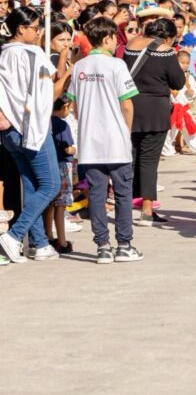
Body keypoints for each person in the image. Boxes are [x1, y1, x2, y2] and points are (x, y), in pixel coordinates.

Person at [66, 16, 143, 264]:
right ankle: (124, 244)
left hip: (89, 143)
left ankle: (102, 246)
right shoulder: (117, 65)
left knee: (97, 195)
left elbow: (74, 105)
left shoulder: (79, 67)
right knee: (122, 194)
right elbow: (127, 104)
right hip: (116, 141)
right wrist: (126, 131)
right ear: (108, 38)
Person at [0, 8, 63, 264]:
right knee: (51, 185)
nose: (39, 33)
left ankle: (39, 243)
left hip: (9, 129)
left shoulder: (3, 53)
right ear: (21, 29)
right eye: (36, 27)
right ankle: (15, 235)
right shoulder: (33, 53)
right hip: (31, 127)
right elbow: (48, 90)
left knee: (32, 184)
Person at [124, 18, 186, 227]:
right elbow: (178, 82)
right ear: (168, 37)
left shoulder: (131, 45)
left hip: (129, 108)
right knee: (149, 161)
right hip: (155, 111)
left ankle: (124, 206)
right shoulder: (166, 51)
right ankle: (147, 211)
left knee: (130, 158)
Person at [44, 98, 76, 254]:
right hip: (62, 167)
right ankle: (62, 241)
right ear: (64, 107)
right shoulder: (62, 125)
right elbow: (67, 149)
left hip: (47, 166)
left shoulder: (46, 122)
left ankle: (48, 236)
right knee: (60, 205)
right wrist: (74, 150)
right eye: (69, 108)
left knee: (49, 204)